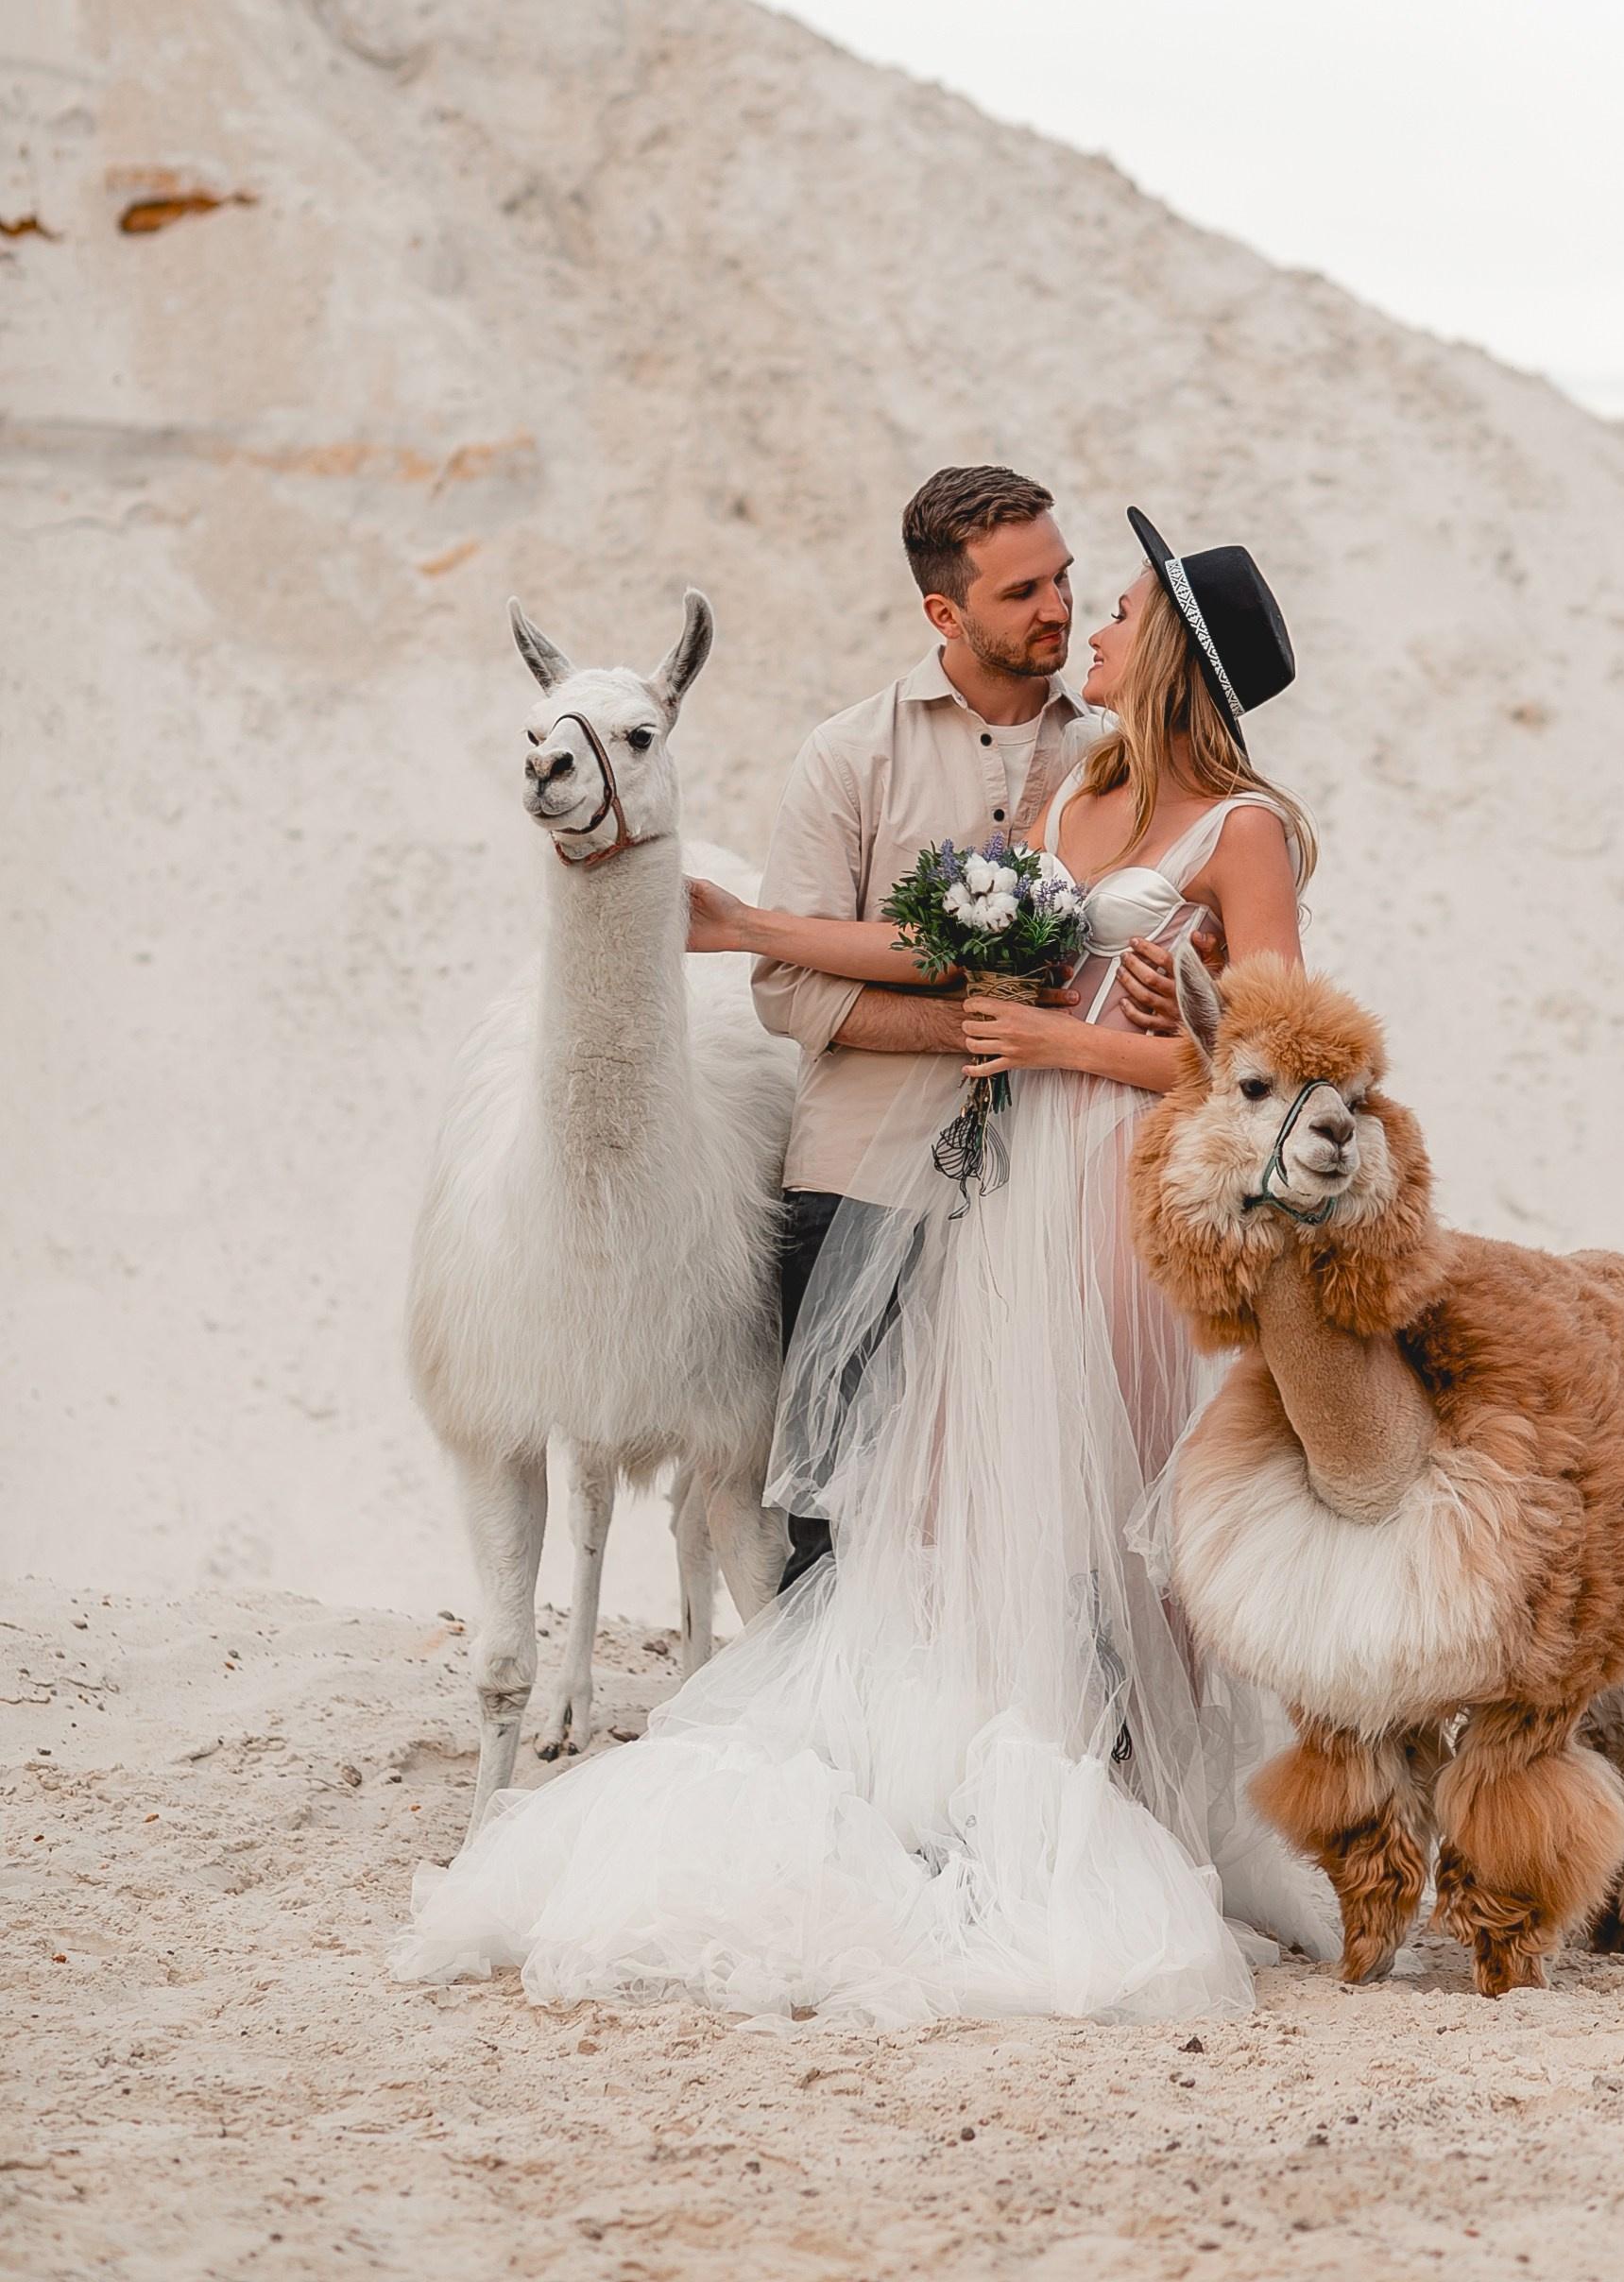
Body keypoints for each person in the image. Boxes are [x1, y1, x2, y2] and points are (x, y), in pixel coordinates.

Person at [395, 493, 1336, 2025]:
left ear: (1169, 654)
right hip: (1009, 1183)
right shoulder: (1078, 796)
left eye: (1113, 608)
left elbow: (1278, 1060)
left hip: (1114, 1189)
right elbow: (950, 947)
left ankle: (1162, 1808)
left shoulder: (1238, 829)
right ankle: (981, 1796)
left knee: (1127, 1509)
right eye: (1054, 594)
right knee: (957, 1513)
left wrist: (1070, 1034)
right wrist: (743, 924)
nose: (1089, 621)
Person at [716, 466, 1191, 1587]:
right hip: (863, 1173)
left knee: (1037, 1508)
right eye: (1023, 590)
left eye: (1065, 579)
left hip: (1047, 1197)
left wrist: (1187, 985)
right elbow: (785, 992)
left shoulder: (1111, 753)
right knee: (833, 1516)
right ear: (945, 612)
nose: (1058, 608)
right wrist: (963, 1032)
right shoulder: (849, 755)